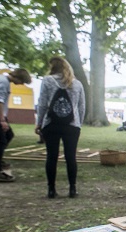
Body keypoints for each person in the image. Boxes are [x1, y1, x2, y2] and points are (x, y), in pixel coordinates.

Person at [35, 57, 86, 198]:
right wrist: (78, 124)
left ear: (53, 67)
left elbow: (42, 104)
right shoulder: (77, 84)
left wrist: (39, 123)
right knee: (71, 157)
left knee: (52, 157)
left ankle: (51, 190)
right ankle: (72, 189)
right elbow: (82, 107)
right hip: (72, 126)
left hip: (51, 124)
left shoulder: (47, 81)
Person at [0, 68, 32, 182]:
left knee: (8, 135)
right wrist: (2, 119)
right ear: (18, 78)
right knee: (1, 140)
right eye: (22, 82)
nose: (21, 85)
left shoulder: (2, 79)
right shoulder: (3, 82)